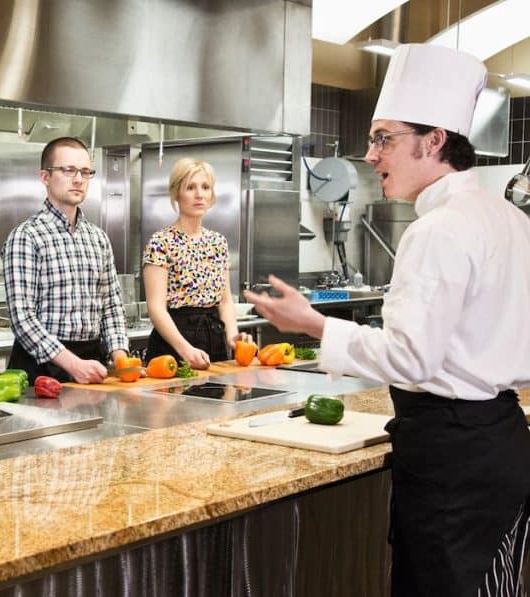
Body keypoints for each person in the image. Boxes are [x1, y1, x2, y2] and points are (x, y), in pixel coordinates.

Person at [245, 44, 530, 596]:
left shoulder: (438, 229)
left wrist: (315, 325)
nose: (371, 156)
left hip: (453, 462)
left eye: (384, 139)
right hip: (500, 443)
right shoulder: (510, 219)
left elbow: (410, 358)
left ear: (435, 141)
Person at [2, 137, 129, 384]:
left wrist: (122, 359)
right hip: (42, 369)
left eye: (85, 171)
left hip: (92, 362)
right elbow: (23, 319)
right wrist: (73, 365)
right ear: (45, 177)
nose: (79, 179)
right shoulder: (26, 236)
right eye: (68, 170)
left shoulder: (98, 238)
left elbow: (112, 308)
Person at [141, 158, 251, 369]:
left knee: (217, 398)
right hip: (173, 344)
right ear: (176, 193)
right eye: (190, 187)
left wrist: (233, 337)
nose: (199, 194)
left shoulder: (218, 242)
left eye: (205, 187)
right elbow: (156, 308)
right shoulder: (161, 242)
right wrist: (185, 349)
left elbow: (225, 301)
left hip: (214, 338)